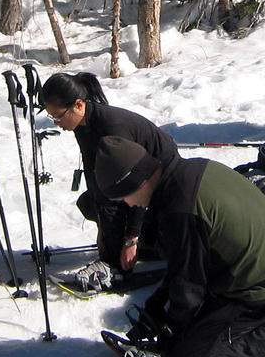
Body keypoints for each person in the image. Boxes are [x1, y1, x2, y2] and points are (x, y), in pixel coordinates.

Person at [94, 136, 265, 357]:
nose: (128, 205)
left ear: (136, 180)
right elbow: (185, 265)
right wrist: (156, 310)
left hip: (263, 287)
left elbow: (188, 290)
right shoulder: (188, 170)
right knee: (183, 343)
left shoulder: (179, 209)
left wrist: (172, 334)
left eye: (124, 197)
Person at [41, 72, 179, 278]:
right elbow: (93, 174)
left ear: (78, 105)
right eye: (52, 117)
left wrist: (131, 238)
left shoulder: (112, 128)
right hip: (136, 182)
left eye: (58, 116)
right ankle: (125, 245)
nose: (56, 123)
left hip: (162, 184)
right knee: (90, 203)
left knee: (116, 208)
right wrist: (102, 228)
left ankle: (125, 257)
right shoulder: (82, 124)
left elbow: (138, 186)